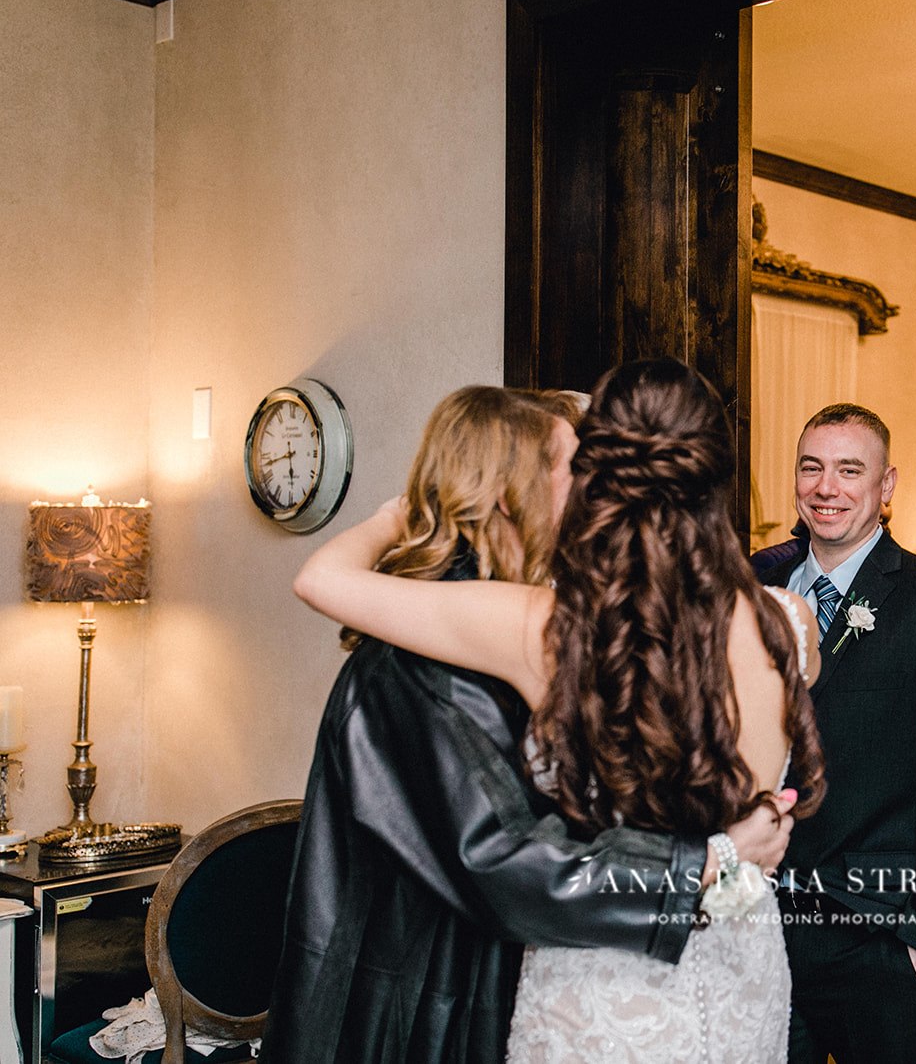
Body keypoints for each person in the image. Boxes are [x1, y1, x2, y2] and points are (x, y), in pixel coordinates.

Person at [289, 360, 826, 1062]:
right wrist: (730, 853)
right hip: (739, 975)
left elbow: (322, 578)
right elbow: (744, 836)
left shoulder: (546, 629)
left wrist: (407, 510)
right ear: (715, 472)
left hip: (603, 990)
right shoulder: (790, 622)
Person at [758, 403, 916, 1064]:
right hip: (755, 928)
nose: (826, 487)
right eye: (811, 468)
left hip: (877, 939)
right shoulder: (750, 583)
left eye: (848, 469)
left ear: (886, 484)